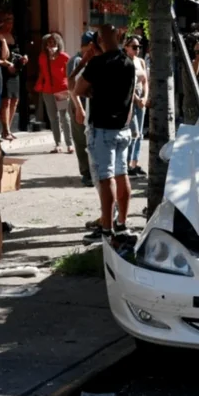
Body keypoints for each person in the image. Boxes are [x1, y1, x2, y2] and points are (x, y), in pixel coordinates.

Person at [74, 24, 136, 241]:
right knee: (121, 175)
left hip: (102, 128)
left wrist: (94, 91)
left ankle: (107, 227)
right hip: (122, 128)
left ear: (99, 40)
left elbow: (77, 89)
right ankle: (121, 224)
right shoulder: (128, 62)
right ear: (118, 37)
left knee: (105, 178)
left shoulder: (97, 63)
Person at [34, 33, 74, 154]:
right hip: (47, 91)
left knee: (64, 117)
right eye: (48, 43)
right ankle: (57, 144)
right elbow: (42, 72)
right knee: (53, 118)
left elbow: (70, 74)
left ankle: (69, 144)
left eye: (53, 43)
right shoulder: (42, 57)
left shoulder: (64, 57)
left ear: (58, 43)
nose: (51, 45)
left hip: (61, 90)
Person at [69, 32, 98, 186]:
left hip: (89, 104)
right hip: (77, 103)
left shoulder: (93, 60)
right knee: (81, 140)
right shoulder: (76, 61)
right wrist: (79, 108)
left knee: (90, 139)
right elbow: (71, 87)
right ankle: (86, 172)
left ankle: (92, 170)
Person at [0, 20, 26, 141]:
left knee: (15, 99)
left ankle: (8, 129)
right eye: (7, 22)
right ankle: (5, 130)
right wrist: (3, 41)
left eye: (11, 22)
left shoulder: (14, 35)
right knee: (6, 101)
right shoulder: (0, 37)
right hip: (4, 72)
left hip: (15, 70)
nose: (9, 25)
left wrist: (23, 59)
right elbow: (4, 56)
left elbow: (18, 52)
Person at [124, 36, 148, 176]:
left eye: (138, 47)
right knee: (134, 132)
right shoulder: (125, 62)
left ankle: (135, 162)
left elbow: (145, 81)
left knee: (140, 134)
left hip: (140, 98)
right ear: (126, 47)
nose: (137, 49)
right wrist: (137, 99)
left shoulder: (141, 62)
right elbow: (126, 85)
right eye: (134, 47)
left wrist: (144, 97)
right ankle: (127, 163)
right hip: (130, 98)